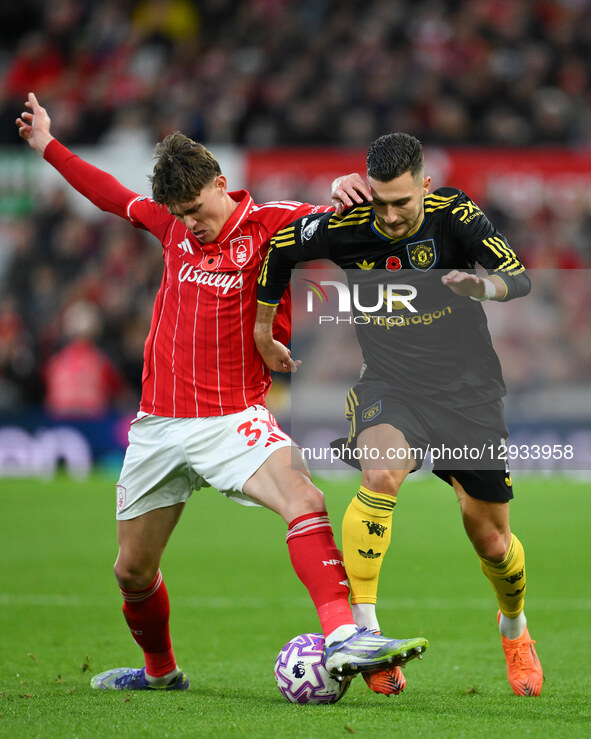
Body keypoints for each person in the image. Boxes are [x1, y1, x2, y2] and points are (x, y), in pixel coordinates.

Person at [16, 94, 428, 691]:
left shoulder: (273, 223)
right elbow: (106, 191)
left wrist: (347, 185)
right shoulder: (172, 228)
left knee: (304, 500)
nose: (190, 223)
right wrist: (47, 145)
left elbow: (345, 222)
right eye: (178, 214)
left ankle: (345, 637)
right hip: (157, 425)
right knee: (132, 571)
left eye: (196, 209)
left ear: (221, 183)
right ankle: (160, 675)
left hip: (233, 418)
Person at [255, 132, 543, 697]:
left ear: (425, 188)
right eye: (380, 201)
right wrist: (265, 330)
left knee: (492, 542)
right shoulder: (347, 223)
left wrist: (481, 285)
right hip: (391, 385)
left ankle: (515, 629)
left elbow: (520, 276)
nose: (388, 215)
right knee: (380, 471)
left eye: (402, 203)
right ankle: (366, 637)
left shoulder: (455, 213)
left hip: (468, 394)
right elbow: (278, 250)